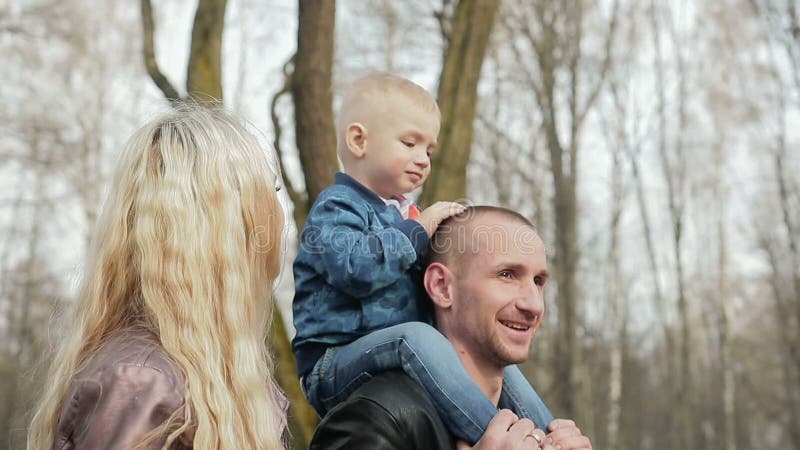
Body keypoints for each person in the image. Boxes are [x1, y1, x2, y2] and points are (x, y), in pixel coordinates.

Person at [292, 73, 552, 445]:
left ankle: (548, 436)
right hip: (332, 364)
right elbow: (356, 271)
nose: (422, 159)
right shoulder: (336, 208)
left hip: (387, 351)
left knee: (498, 365)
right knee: (417, 335)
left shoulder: (403, 215)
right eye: (409, 143)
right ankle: (486, 432)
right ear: (358, 140)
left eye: (428, 150)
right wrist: (418, 231)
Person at [27, 106, 288, 449]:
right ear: (225, 231)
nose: (279, 216)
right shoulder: (140, 383)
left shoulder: (224, 383)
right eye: (268, 194)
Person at [310, 206, 594, 450]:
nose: (534, 305)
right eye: (507, 275)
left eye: (539, 282)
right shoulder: (377, 417)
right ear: (442, 287)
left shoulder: (532, 428)